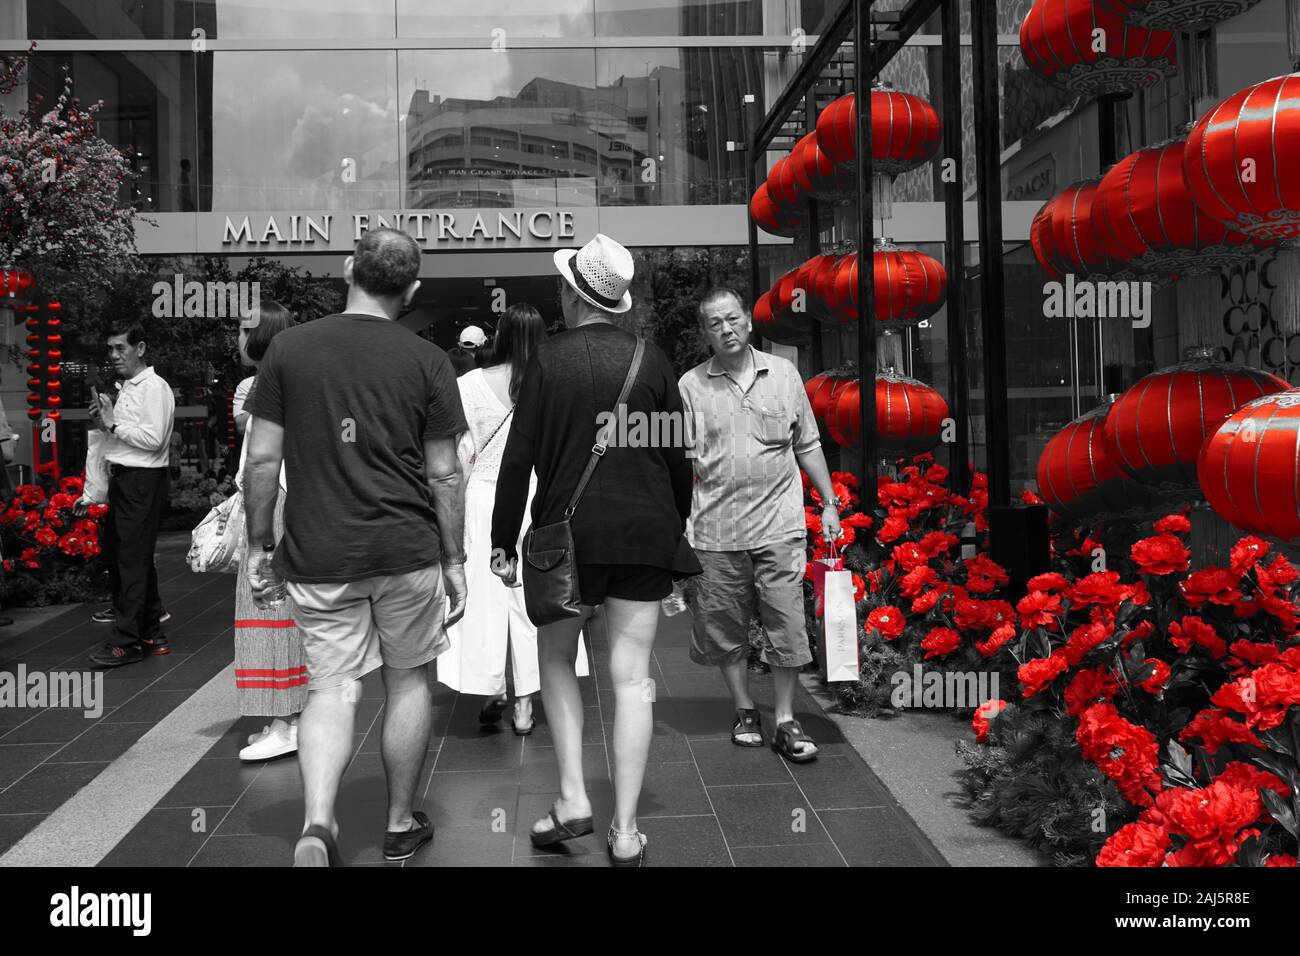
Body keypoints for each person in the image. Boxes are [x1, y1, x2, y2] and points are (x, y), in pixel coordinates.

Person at [243, 228, 469, 867]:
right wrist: (455, 560)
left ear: (348, 269)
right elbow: (445, 472)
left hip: (319, 554)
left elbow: (261, 462)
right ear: (413, 289)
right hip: (407, 551)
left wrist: (262, 545)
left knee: (333, 688)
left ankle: (318, 823)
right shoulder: (428, 361)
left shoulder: (288, 350)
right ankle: (399, 824)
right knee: (407, 683)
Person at [492, 233, 695, 867]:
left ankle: (574, 798)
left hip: (565, 540)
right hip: (643, 535)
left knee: (556, 660)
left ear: (572, 293)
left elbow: (517, 461)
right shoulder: (654, 361)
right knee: (632, 678)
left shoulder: (547, 363)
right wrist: (673, 529)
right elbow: (677, 459)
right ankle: (628, 830)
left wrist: (501, 540)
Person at [678, 288, 842, 763]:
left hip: (780, 526)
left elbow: (807, 444)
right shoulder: (690, 386)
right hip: (716, 531)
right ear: (705, 332)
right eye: (714, 323)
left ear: (748, 321)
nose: (726, 329)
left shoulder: (785, 374)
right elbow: (683, 463)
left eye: (732, 319)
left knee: (786, 623)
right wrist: (679, 527)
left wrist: (828, 503)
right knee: (724, 629)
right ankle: (745, 708)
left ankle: (786, 720)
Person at [440, 303, 588, 734]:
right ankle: (526, 702)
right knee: (534, 601)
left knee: (485, 601)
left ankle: (493, 689)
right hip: (540, 500)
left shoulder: (468, 384)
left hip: (485, 500)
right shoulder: (555, 381)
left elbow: (460, 456)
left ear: (499, 337)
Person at [232, 301, 307, 762]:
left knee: (271, 608)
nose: (237, 337)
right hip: (277, 503)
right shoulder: (282, 380)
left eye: (243, 329)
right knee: (272, 610)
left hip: (273, 505)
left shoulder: (269, 385)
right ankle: (282, 718)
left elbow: (264, 460)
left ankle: (289, 720)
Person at [88, 323, 177, 668]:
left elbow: (153, 439)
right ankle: (152, 633)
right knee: (123, 556)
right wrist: (104, 421)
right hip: (126, 479)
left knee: (130, 561)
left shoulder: (153, 387)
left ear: (140, 348)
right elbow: (125, 436)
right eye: (110, 349)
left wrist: (112, 424)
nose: (114, 355)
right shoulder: (128, 387)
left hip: (143, 480)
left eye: (120, 348)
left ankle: (126, 642)